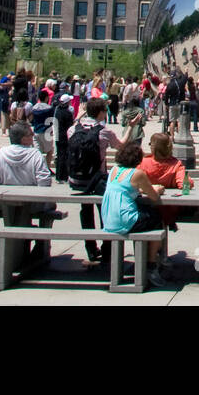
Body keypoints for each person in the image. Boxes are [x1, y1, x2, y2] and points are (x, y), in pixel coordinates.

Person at [101, 139, 167, 286]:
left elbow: (126, 188)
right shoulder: (137, 173)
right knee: (157, 218)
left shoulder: (113, 171)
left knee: (146, 216)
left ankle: (144, 260)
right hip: (125, 220)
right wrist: (157, 189)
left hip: (108, 219)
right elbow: (154, 197)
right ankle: (151, 264)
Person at [67, 98, 124, 263]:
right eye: (105, 110)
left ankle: (90, 248)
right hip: (97, 180)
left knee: (85, 212)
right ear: (100, 112)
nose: (107, 113)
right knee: (105, 212)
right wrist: (132, 128)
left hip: (77, 180)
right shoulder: (104, 131)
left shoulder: (73, 130)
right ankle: (107, 249)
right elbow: (120, 146)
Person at [0, 121, 53, 187]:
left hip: (7, 195)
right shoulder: (36, 155)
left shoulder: (1, 154)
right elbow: (44, 181)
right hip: (31, 195)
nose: (33, 135)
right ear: (23, 139)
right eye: (31, 133)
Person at [52, 93, 74, 183]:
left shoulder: (57, 111)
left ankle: (59, 176)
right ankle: (63, 176)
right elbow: (70, 126)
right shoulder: (67, 113)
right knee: (64, 157)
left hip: (58, 136)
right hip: (64, 137)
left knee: (60, 156)